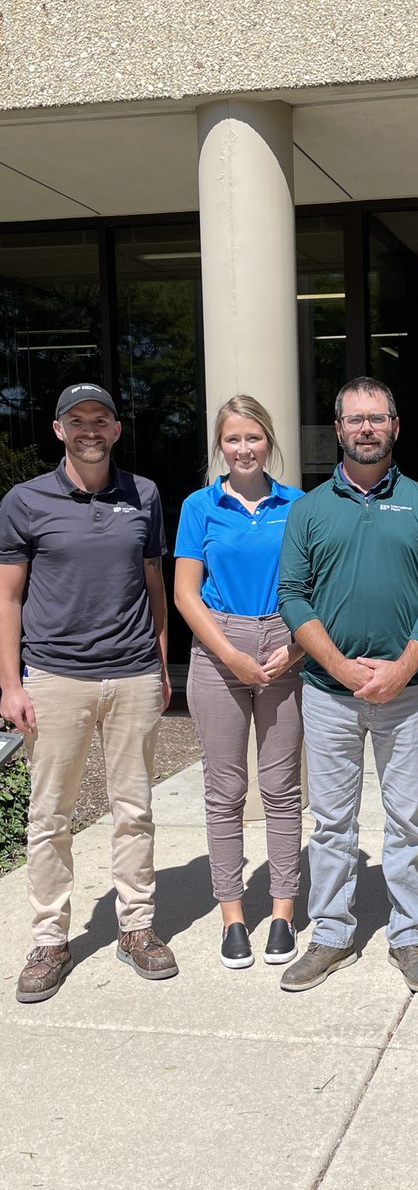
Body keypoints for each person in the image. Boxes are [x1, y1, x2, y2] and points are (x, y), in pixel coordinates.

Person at [277, 376, 418, 994]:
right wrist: (342, 668)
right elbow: (293, 597)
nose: (366, 429)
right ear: (338, 428)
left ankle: (410, 936)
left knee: (407, 819)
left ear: (395, 426)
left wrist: (403, 667)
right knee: (331, 822)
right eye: (355, 419)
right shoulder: (308, 509)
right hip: (329, 694)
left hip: (405, 694)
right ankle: (330, 934)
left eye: (376, 418)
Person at [0, 382, 177, 1002]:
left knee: (135, 810)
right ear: (58, 430)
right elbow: (8, 597)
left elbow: (153, 581)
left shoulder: (145, 495)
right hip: (54, 676)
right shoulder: (25, 501)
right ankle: (50, 938)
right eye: (78, 421)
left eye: (101, 419)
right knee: (51, 815)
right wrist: (9, 683)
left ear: (117, 428)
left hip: (131, 673)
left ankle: (138, 928)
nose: (91, 430)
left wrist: (159, 662)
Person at [174, 396, 305, 970]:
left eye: (253, 438)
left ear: (268, 441)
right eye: (233, 440)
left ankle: (281, 912)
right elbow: (184, 592)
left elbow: (315, 589)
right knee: (225, 792)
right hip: (218, 645)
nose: (244, 449)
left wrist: (296, 649)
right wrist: (230, 656)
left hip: (283, 642)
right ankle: (232, 915)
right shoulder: (198, 507)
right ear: (219, 447)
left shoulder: (298, 504)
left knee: (281, 790)